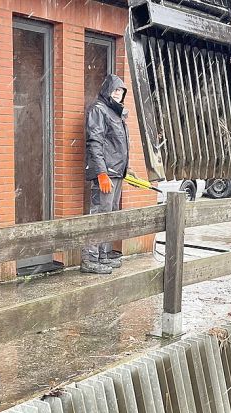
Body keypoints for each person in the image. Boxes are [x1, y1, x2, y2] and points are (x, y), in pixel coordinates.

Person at [82, 74, 131, 274]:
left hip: (117, 172)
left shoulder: (115, 112)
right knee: (99, 215)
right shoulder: (99, 110)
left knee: (109, 215)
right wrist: (101, 173)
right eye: (115, 89)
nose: (118, 93)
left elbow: (118, 145)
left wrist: (126, 169)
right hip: (106, 174)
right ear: (107, 89)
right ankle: (90, 259)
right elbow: (95, 143)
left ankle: (102, 255)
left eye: (121, 91)